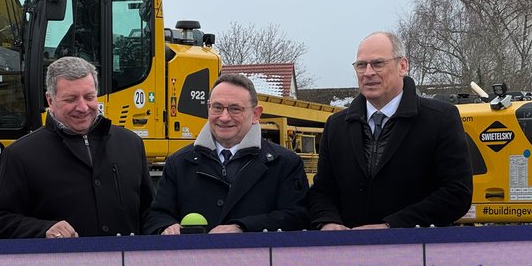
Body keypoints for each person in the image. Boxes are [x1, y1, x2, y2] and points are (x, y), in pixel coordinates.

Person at [308, 31, 472, 230]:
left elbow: (456, 193)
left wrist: (391, 227)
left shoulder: (440, 119)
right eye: (361, 65)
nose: (368, 72)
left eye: (378, 63)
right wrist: (328, 221)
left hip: (417, 252)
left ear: (402, 66)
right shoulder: (336, 126)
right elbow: (322, 192)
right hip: (350, 255)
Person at [0, 56, 154, 238]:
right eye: (71, 99)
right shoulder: (20, 154)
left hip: (125, 265)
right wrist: (42, 230)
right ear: (50, 101)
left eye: (89, 97)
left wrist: (165, 226)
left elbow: (150, 213)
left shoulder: (131, 144)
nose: (82, 107)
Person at [143, 73, 309, 235]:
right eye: (217, 107)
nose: (224, 117)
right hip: (195, 262)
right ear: (208, 108)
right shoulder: (178, 163)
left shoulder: (285, 163)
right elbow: (156, 216)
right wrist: (166, 226)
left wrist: (242, 228)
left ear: (256, 114)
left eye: (235, 109)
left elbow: (297, 217)